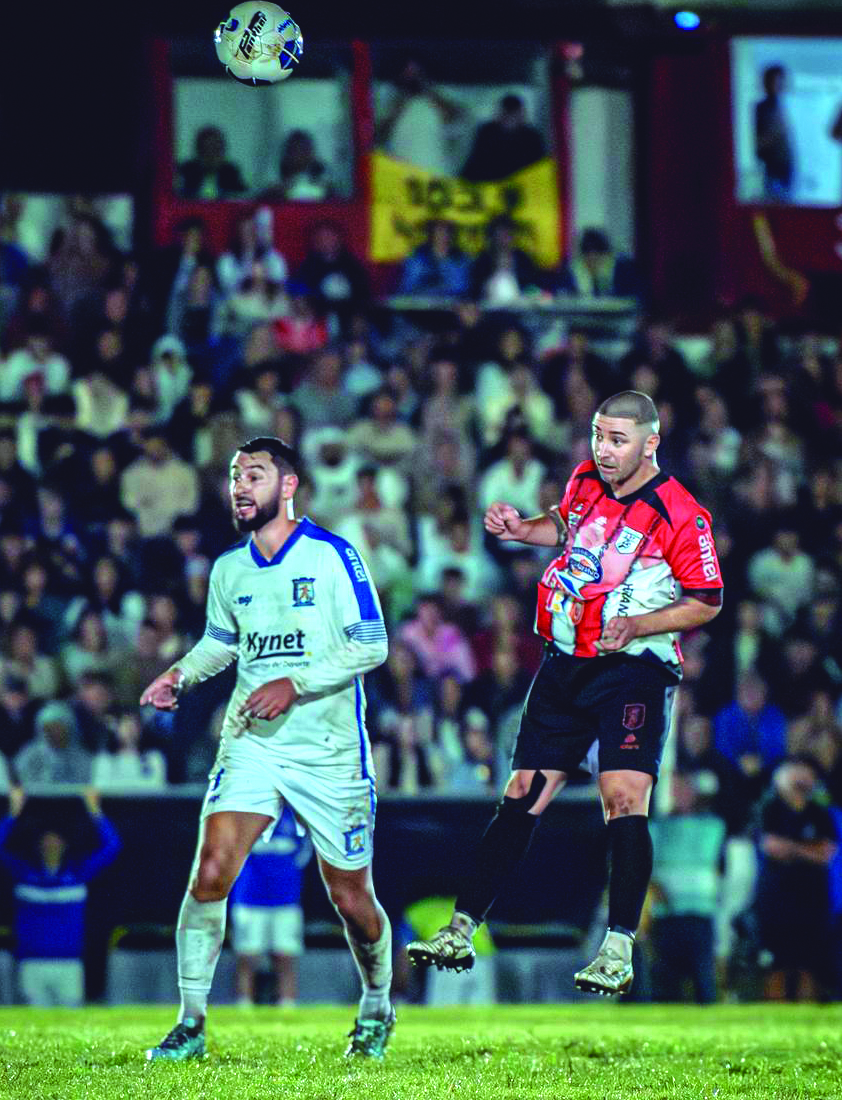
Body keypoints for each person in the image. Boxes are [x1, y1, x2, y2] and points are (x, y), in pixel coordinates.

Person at [406, 390, 723, 996]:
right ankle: (460, 929)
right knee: (521, 792)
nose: (604, 451)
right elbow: (566, 525)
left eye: (618, 440)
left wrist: (640, 624)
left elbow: (707, 599)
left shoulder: (683, 514)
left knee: (623, 795)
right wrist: (523, 529)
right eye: (599, 436)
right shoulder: (586, 479)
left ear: (651, 443)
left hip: (633, 665)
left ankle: (618, 946)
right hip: (565, 661)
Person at [141, 436, 394, 1061]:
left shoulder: (334, 555)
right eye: (234, 476)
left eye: (254, 474)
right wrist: (180, 673)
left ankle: (376, 1004)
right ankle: (191, 1021)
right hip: (252, 742)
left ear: (288, 486)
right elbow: (220, 642)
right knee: (210, 873)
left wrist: (297, 682)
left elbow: (372, 642)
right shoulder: (230, 569)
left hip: (330, 750)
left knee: (351, 900)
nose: (240, 486)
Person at [0, 786, 120, 1006]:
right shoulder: (25, 875)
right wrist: (13, 814)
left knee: (70, 1025)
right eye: (46, 840)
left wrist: (95, 811)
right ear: (38, 845)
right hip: (31, 963)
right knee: (32, 1030)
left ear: (64, 845)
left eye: (56, 840)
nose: (51, 844)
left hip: (69, 963)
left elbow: (111, 847)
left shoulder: (76, 875)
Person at [229, 804, 314, 1007]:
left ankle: (287, 1006)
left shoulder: (295, 816)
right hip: (249, 897)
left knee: (285, 956)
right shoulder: (247, 813)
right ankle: (244, 1006)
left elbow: (305, 850)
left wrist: (287, 871)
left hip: (286, 897)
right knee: (247, 956)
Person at [461, 94, 546, 182]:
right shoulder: (487, 132)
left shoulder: (531, 138)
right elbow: (477, 162)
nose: (510, 119)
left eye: (514, 114)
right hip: (491, 183)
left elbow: (539, 166)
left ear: (521, 115)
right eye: (507, 114)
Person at [754, 65, 794, 202]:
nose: (777, 85)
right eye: (773, 81)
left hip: (785, 166)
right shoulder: (761, 109)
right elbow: (756, 143)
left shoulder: (782, 106)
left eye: (780, 81)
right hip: (771, 167)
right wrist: (775, 134)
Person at [177, 126, 247, 200]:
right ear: (199, 150)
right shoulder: (186, 170)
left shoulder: (230, 171)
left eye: (216, 149)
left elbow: (241, 196)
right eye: (207, 149)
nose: (211, 155)